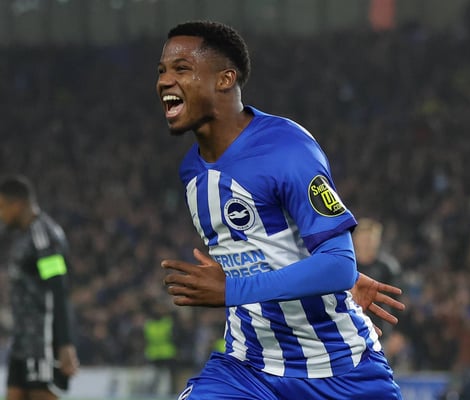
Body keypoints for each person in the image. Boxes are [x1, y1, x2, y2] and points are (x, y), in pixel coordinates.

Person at [157, 20, 404, 399]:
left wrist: (234, 289)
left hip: (340, 372)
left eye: (181, 68)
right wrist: (329, 275)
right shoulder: (192, 170)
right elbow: (269, 250)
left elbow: (338, 263)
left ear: (225, 79)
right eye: (162, 71)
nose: (164, 81)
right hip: (247, 369)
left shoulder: (286, 148)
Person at [0, 175, 79, 400]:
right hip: (22, 342)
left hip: (42, 342)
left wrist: (65, 343)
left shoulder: (43, 236)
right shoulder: (22, 235)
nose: (1, 213)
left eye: (2, 207)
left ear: (17, 204)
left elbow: (58, 289)